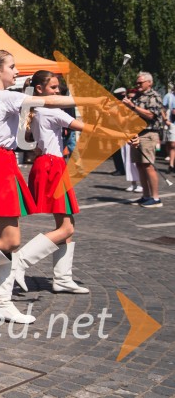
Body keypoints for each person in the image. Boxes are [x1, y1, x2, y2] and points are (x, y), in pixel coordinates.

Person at [0, 51, 104, 324]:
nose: (17, 71)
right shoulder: (3, 96)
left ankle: (0, 303)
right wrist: (91, 99)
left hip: (3, 162)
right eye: (12, 67)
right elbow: (50, 100)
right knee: (11, 241)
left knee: (9, 241)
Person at [17, 70, 123, 295]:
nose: (58, 92)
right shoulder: (51, 111)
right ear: (39, 89)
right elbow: (91, 130)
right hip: (52, 166)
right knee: (67, 227)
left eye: (58, 88)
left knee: (65, 225)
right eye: (53, 88)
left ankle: (62, 278)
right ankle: (20, 261)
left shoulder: (35, 110)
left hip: (46, 164)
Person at [124, 72, 165, 208]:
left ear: (149, 82)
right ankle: (146, 196)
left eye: (140, 82)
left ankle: (156, 198)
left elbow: (151, 115)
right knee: (139, 165)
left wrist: (133, 106)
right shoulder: (137, 96)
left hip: (148, 133)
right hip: (136, 134)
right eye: (137, 82)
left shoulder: (154, 96)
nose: (138, 85)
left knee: (148, 165)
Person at [163, 83, 175, 174]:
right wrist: (165, 119)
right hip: (171, 123)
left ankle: (172, 164)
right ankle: (171, 164)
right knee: (171, 144)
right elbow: (162, 109)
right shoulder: (169, 96)